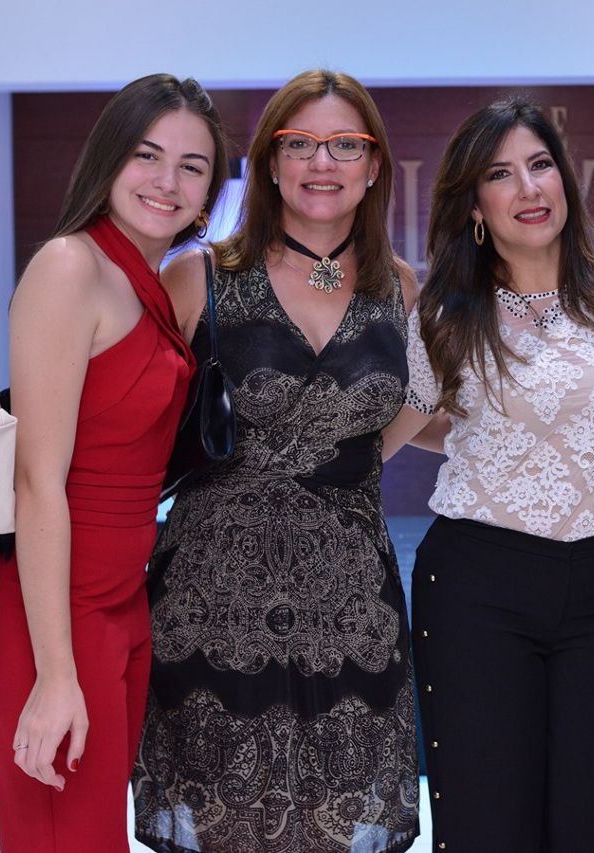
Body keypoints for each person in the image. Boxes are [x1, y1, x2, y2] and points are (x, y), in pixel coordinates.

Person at [131, 70, 421, 852]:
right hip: (211, 603)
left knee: (339, 823)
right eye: (299, 144)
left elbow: (426, 406)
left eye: (344, 145)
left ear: (373, 166)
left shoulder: (402, 288)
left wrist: (349, 458)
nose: (321, 163)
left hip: (350, 608)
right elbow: (143, 421)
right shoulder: (198, 276)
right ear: (267, 163)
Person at [382, 97, 594, 853]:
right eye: (501, 174)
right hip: (478, 589)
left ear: (564, 179)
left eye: (540, 165)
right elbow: (393, 434)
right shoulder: (445, 312)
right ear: (475, 205)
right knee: (487, 828)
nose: (528, 188)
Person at [0, 74, 230, 852]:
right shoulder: (70, 266)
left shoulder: (146, 278)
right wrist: (55, 674)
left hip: (120, 603)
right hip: (54, 614)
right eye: (148, 155)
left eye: (193, 166)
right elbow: (35, 480)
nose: (168, 181)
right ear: (110, 157)